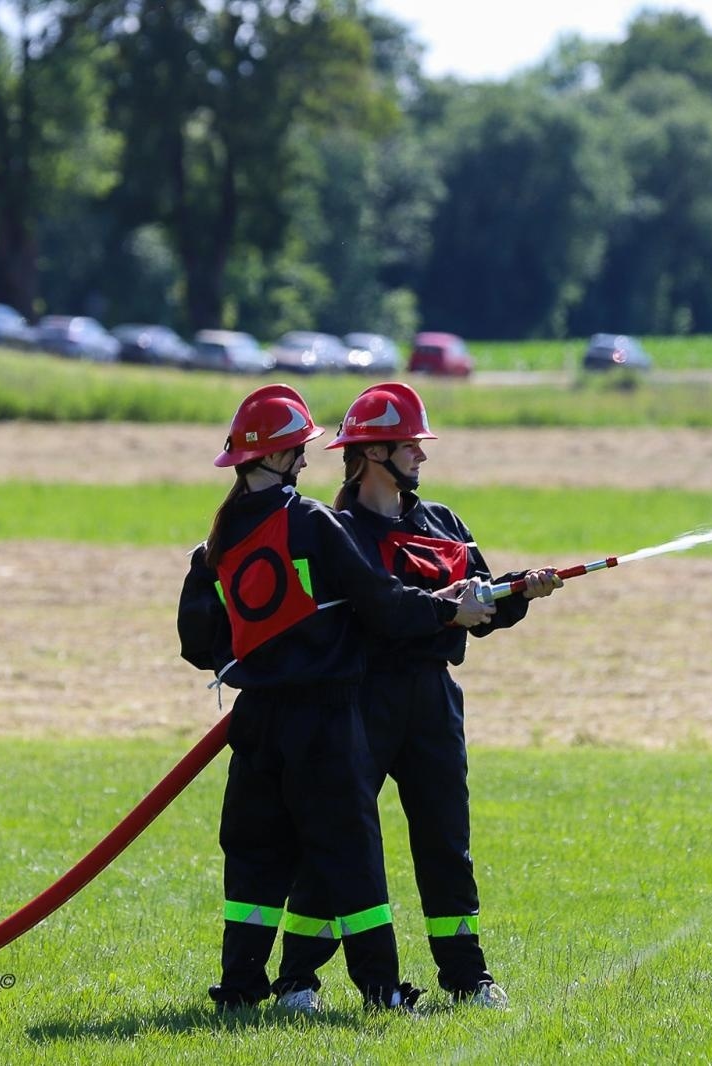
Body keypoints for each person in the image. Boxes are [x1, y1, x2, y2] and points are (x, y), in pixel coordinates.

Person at [177, 384, 495, 1013]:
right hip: (324, 717)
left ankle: (242, 988)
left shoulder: (213, 544)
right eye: (298, 450)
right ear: (281, 458)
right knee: (350, 853)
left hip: (256, 719)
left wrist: (253, 663)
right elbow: (379, 604)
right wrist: (445, 610)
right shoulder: (312, 520)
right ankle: (382, 992)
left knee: (255, 857)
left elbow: (197, 641)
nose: (305, 460)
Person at [275, 381, 560, 1011]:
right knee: (341, 841)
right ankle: (297, 979)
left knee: (445, 840)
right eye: (411, 446)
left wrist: (518, 592)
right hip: (360, 699)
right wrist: (454, 612)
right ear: (375, 452)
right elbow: (385, 612)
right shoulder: (339, 530)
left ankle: (467, 977)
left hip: (433, 699)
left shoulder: (443, 523)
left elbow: (479, 602)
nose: (423, 458)